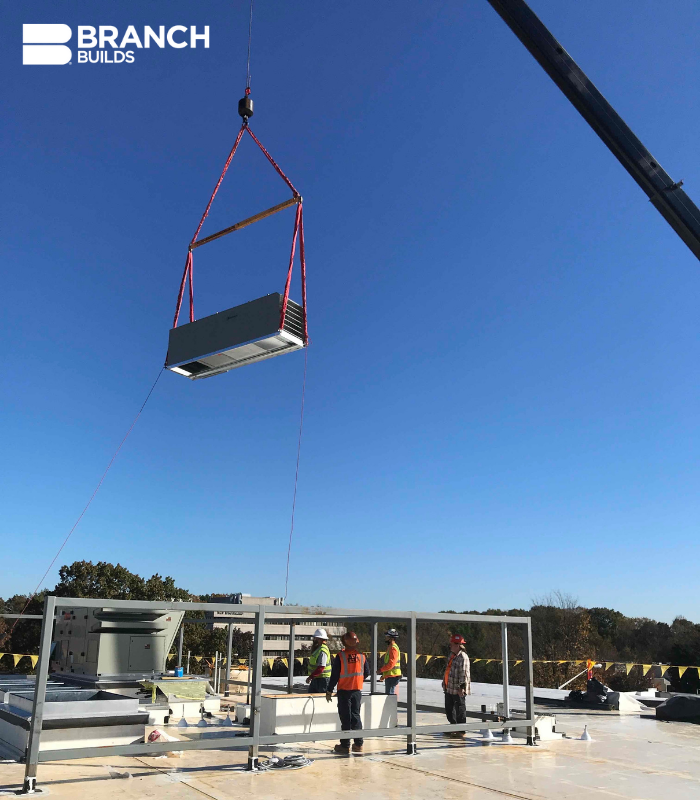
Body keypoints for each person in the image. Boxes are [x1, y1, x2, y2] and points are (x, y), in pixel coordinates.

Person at [326, 631, 370, 754]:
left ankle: (345, 746)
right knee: (356, 717)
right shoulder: (361, 656)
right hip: (356, 691)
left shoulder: (341, 657)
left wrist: (329, 690)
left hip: (344, 691)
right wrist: (357, 680)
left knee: (346, 718)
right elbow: (367, 672)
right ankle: (358, 744)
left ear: (344, 642)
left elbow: (334, 676)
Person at [442, 634, 471, 738]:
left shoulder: (463, 657)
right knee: (449, 709)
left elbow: (464, 674)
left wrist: (461, 687)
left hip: (458, 689)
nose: (450, 646)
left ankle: (461, 730)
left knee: (460, 709)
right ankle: (453, 727)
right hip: (449, 687)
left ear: (458, 645)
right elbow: (447, 670)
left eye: (452, 644)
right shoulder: (451, 655)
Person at [305, 628, 331, 693]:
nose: (314, 640)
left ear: (320, 639)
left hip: (323, 679)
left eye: (316, 638)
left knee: (321, 700)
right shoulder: (318, 649)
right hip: (317, 678)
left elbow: (321, 667)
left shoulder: (322, 650)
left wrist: (310, 677)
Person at [378, 628, 401, 695]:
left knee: (389, 697)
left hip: (393, 676)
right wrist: (384, 675)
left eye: (387, 637)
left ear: (391, 638)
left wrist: (381, 670)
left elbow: (391, 664)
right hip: (390, 676)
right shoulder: (390, 647)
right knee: (389, 696)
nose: (386, 638)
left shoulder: (393, 648)